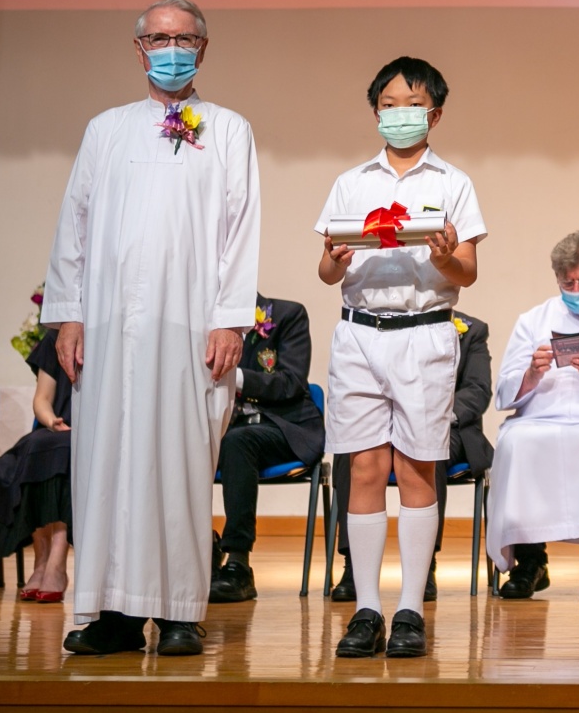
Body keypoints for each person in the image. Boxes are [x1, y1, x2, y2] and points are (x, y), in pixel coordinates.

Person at [45, 0, 260, 657]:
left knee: (180, 463)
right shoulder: (106, 129)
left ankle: (177, 612)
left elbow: (240, 229)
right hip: (110, 327)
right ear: (139, 49)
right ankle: (110, 612)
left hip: (190, 328)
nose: (171, 50)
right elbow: (75, 224)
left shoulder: (228, 129)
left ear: (203, 48)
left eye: (184, 39)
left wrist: (230, 319)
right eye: (159, 39)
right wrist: (70, 314)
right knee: (106, 463)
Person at [315, 56, 484, 661]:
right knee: (363, 469)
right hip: (360, 333)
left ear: (434, 114)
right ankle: (366, 608)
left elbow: (466, 271)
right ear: (375, 112)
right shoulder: (351, 181)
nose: (399, 115)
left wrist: (442, 258)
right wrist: (335, 257)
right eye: (388, 105)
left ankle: (410, 608)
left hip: (424, 334)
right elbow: (327, 270)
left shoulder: (453, 183)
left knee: (416, 469)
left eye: (412, 105)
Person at [484, 231, 579, 601]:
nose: (576, 289)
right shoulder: (534, 320)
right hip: (542, 416)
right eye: (568, 283)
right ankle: (530, 562)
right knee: (515, 442)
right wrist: (531, 374)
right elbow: (504, 390)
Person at [329, 310, 492, 603]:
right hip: (386, 420)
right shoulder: (372, 325)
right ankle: (354, 564)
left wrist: (436, 412)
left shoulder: (472, 329)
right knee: (352, 453)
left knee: (427, 452)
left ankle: (425, 566)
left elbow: (478, 390)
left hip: (449, 426)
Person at [208, 292, 325, 603]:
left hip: (283, 428)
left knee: (238, 441)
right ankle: (200, 547)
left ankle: (238, 563)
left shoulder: (288, 314)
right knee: (176, 443)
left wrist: (235, 377)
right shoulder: (206, 324)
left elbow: (291, 382)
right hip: (225, 429)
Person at [0, 325, 74, 602]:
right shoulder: (56, 337)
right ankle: (42, 559)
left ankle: (57, 561)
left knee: (64, 452)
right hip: (58, 426)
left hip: (97, 432)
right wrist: (51, 420)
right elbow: (42, 399)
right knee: (35, 448)